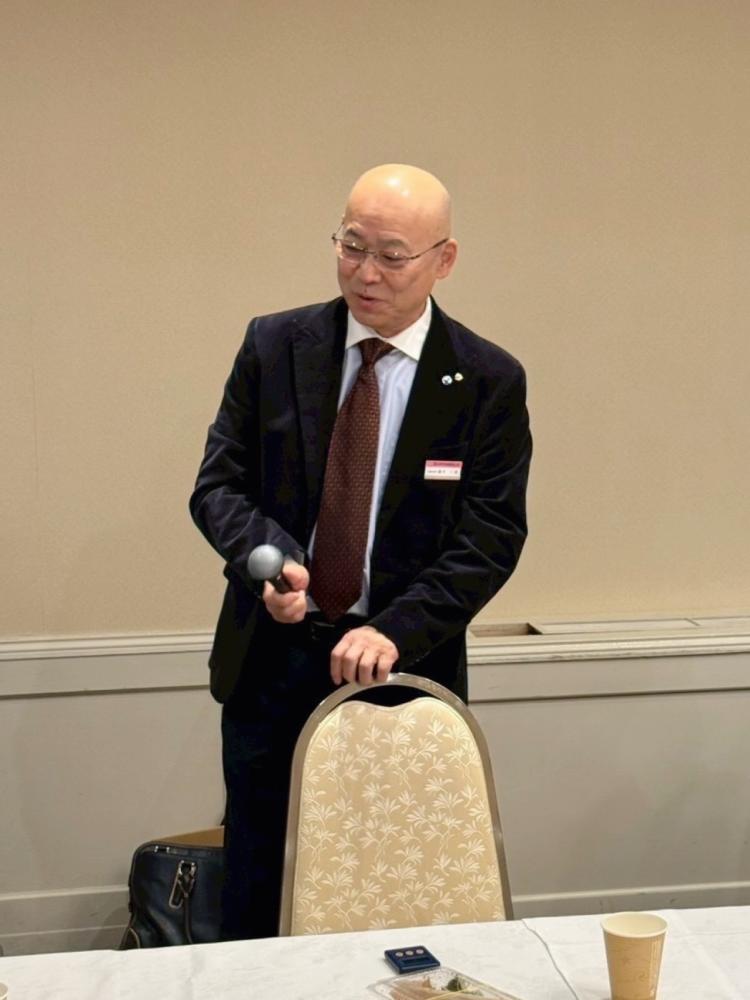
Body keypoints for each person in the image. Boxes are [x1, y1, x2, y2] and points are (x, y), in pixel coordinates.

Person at [190, 163, 532, 939]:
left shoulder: (486, 380)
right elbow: (219, 487)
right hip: (271, 663)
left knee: (390, 902)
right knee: (259, 895)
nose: (365, 273)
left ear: (444, 260)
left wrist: (394, 629)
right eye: (351, 246)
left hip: (402, 676)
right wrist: (270, 564)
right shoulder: (276, 346)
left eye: (392, 256)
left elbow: (490, 536)